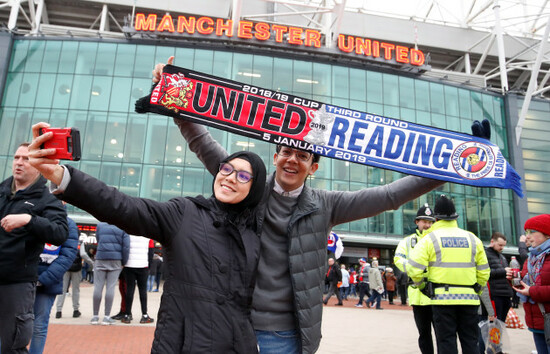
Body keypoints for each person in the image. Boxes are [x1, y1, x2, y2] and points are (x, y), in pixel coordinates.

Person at [28, 122, 267, 353]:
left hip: (238, 345)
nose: (230, 177)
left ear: (254, 190)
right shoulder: (184, 213)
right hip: (182, 344)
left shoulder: (258, 232)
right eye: (226, 169)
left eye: (243, 176)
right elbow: (122, 206)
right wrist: (61, 175)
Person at [0, 142, 68, 354]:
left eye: (26, 159)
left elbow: (60, 233)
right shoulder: (2, 190)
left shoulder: (47, 198)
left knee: (13, 345)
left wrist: (29, 220)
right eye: (16, 158)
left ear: (38, 165)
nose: (19, 163)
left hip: (16, 284)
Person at [408, 194, 490, 354]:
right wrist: (477, 288)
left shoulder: (428, 239)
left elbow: (414, 269)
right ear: (455, 217)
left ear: (436, 219)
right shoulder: (472, 238)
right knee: (471, 342)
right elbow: (484, 271)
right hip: (470, 299)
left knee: (446, 342)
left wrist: (422, 286)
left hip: (442, 299)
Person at [29, 212, 78, 354]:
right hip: (22, 280)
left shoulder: (69, 225)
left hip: (47, 285)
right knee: (11, 323)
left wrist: (43, 280)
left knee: (39, 326)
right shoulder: (30, 216)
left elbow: (67, 256)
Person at [393, 203, 436, 354]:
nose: (428, 225)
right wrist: (415, 269)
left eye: (430, 222)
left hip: (438, 294)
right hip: (418, 295)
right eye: (424, 221)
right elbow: (398, 259)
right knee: (424, 334)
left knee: (442, 334)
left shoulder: (437, 240)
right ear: (417, 222)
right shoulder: (407, 241)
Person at [511, 214, 550, 354]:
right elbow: (526, 284)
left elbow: (532, 289)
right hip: (537, 321)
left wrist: (532, 292)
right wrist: (515, 280)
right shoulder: (532, 257)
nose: (527, 236)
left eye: (532, 231)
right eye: (526, 232)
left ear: (547, 234)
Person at [90, 222, 130, 326]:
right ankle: (106, 317)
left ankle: (95, 316)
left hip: (101, 257)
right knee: (110, 287)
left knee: (98, 287)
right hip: (116, 259)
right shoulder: (123, 226)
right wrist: (124, 262)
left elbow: (99, 240)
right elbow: (126, 247)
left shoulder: (100, 225)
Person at [121, 235, 153, 324]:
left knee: (129, 290)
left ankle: (127, 314)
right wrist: (149, 265)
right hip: (143, 265)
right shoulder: (147, 236)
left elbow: (124, 249)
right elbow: (151, 252)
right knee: (143, 291)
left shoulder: (127, 235)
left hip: (129, 265)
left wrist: (124, 262)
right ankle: (144, 315)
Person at [485, 231, 513, 323]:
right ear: (492, 241)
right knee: (495, 323)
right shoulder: (485, 254)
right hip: (495, 294)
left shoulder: (501, 256)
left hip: (505, 294)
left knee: (500, 323)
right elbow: (485, 273)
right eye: (500, 245)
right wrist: (504, 271)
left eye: (503, 245)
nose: (502, 248)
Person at [55, 236, 83, 319]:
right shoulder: (80, 243)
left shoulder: (64, 240)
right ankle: (75, 310)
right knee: (76, 290)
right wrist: (91, 263)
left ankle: (58, 311)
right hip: (77, 268)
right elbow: (83, 254)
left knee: (62, 289)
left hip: (65, 267)